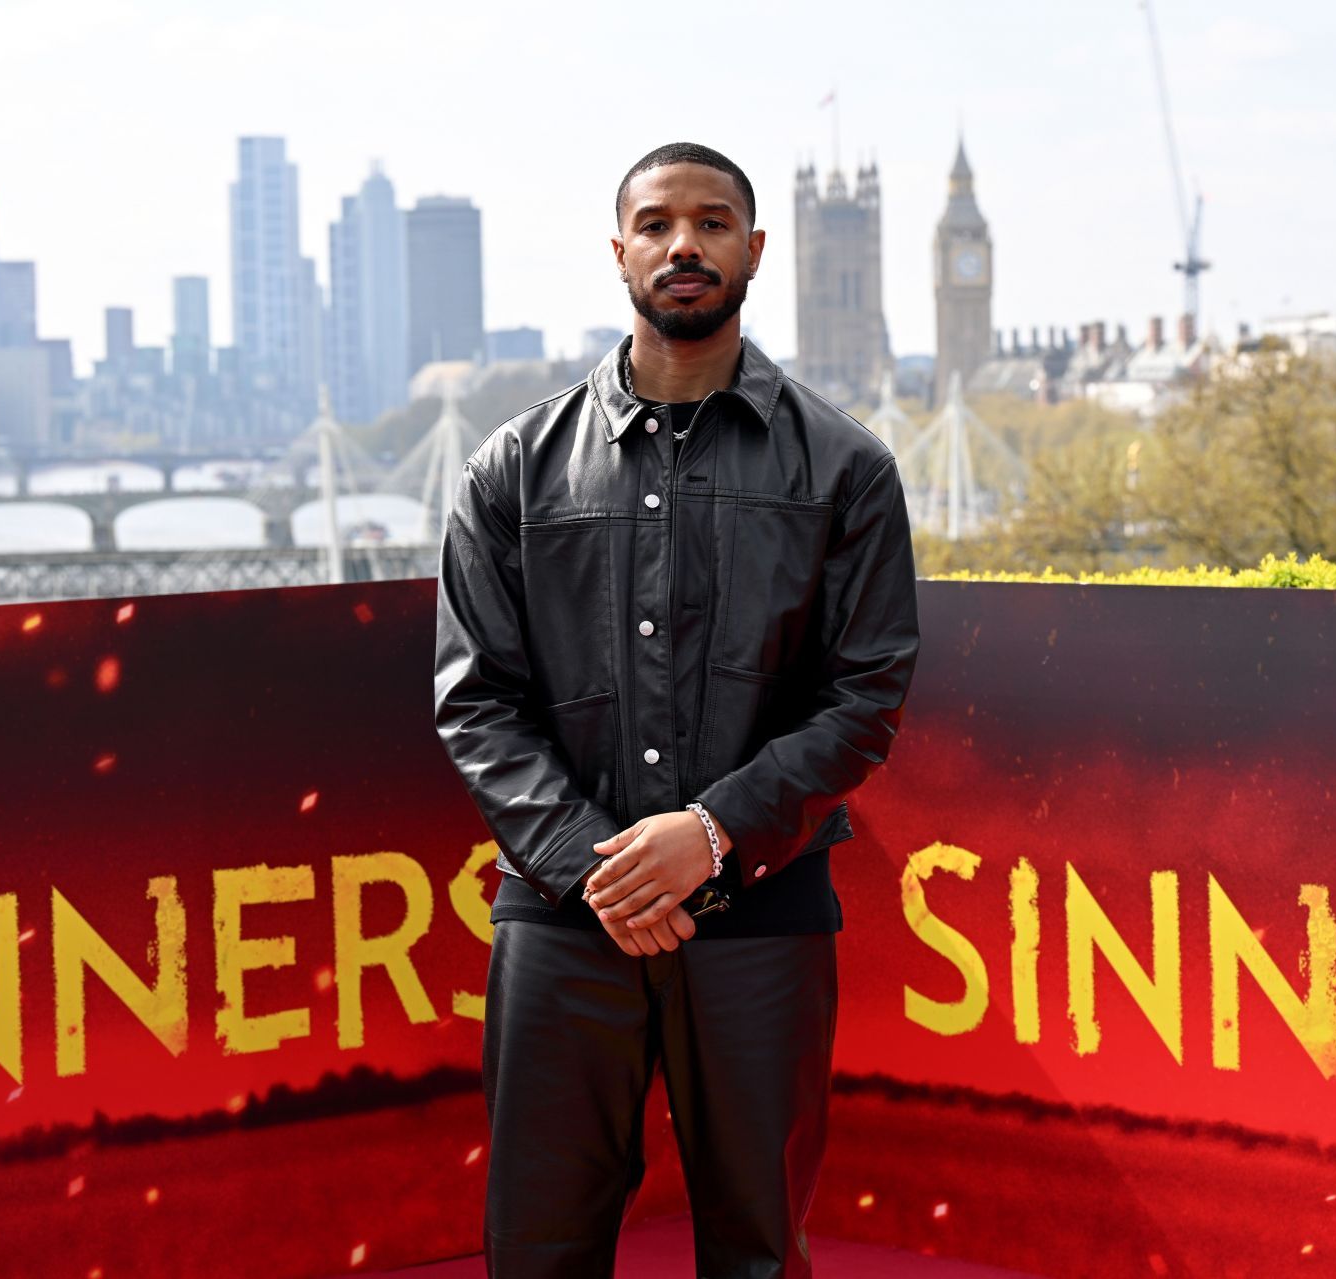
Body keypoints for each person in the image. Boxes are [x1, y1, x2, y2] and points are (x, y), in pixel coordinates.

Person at [433, 140, 920, 1279]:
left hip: (761, 917)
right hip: (564, 919)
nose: (683, 245)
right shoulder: (515, 468)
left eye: (711, 223)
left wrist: (707, 837)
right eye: (657, 224)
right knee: (538, 1248)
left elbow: (864, 700)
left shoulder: (848, 470)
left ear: (756, 249)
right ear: (620, 253)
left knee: (759, 1247)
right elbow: (476, 698)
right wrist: (605, 865)